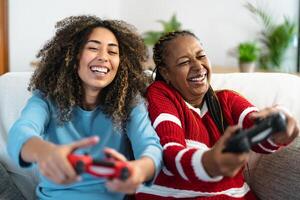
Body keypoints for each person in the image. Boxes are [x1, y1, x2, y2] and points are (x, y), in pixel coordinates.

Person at [7, 15, 162, 200]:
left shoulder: (130, 103)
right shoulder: (46, 98)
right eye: (93, 48)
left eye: (112, 52)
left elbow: (150, 146)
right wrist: (45, 152)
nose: (104, 57)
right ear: (73, 56)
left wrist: (138, 170)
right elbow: (21, 132)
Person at [136, 30, 299, 199]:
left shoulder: (228, 99)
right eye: (184, 62)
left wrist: (278, 126)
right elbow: (169, 153)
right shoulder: (161, 94)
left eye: (201, 56)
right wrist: (209, 163)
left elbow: (257, 129)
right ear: (165, 72)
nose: (198, 67)